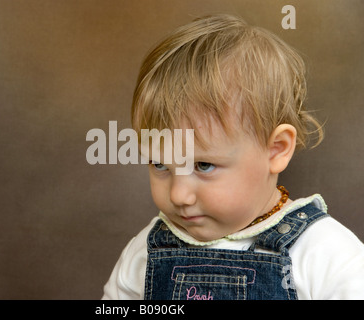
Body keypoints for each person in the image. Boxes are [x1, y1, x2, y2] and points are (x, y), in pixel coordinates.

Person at [102, 14, 364, 300]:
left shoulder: (324, 254)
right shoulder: (148, 253)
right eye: (160, 164)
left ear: (276, 150)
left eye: (203, 165)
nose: (179, 195)